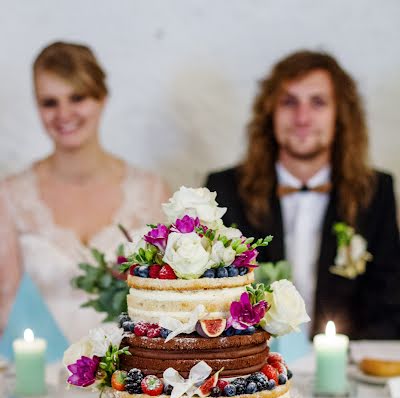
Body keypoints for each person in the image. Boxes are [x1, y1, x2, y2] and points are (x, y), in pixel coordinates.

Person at [205, 50, 400, 339]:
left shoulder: (376, 191)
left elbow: (388, 305)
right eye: (289, 102)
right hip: (252, 368)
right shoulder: (225, 189)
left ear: (341, 116)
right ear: (269, 112)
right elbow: (210, 299)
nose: (302, 117)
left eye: (318, 102)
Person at [0, 41, 170, 340]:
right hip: (36, 377)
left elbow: (174, 300)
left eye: (77, 97)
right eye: (49, 102)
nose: (63, 113)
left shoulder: (152, 192)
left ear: (102, 98)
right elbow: (4, 303)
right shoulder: (11, 196)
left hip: (130, 375)